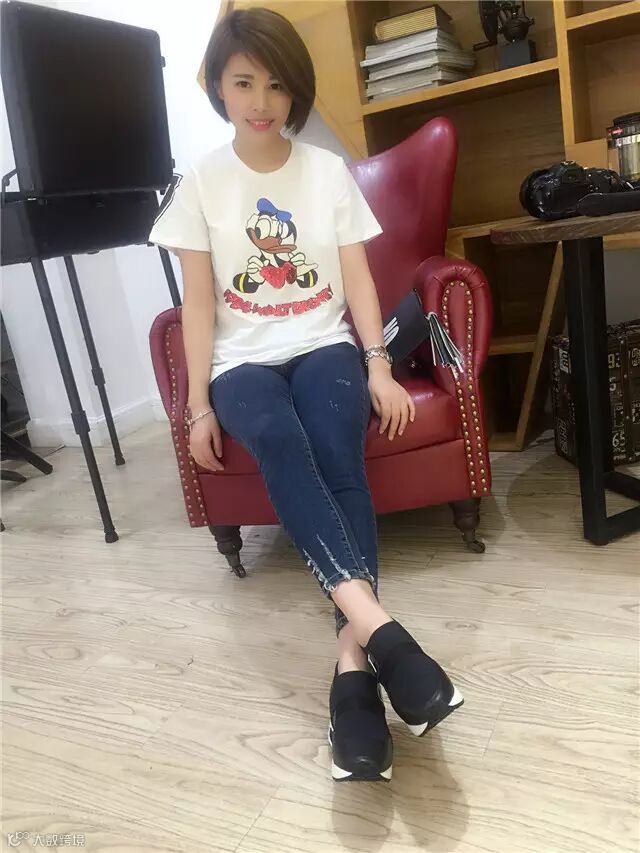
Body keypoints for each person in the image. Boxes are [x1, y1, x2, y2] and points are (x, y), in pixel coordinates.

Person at [148, 7, 462, 783]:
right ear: (218, 87)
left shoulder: (325, 172)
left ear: (295, 91)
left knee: (336, 450)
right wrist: (196, 407)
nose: (261, 101)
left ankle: (354, 659)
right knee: (281, 439)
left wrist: (379, 365)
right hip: (240, 364)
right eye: (243, 82)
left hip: (325, 346)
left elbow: (358, 280)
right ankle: (387, 638)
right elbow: (197, 304)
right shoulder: (201, 183)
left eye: (277, 84)